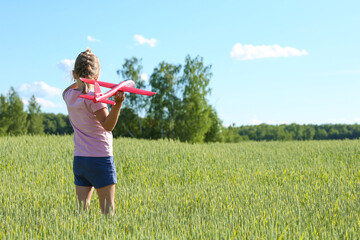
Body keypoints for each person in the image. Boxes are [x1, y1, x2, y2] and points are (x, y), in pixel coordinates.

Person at [63, 49, 125, 215]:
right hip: (100, 159)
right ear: (97, 77)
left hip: (80, 160)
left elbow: (72, 86)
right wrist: (117, 105)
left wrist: (82, 69)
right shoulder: (95, 99)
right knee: (107, 213)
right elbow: (108, 125)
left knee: (82, 212)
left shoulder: (68, 95)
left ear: (74, 74)